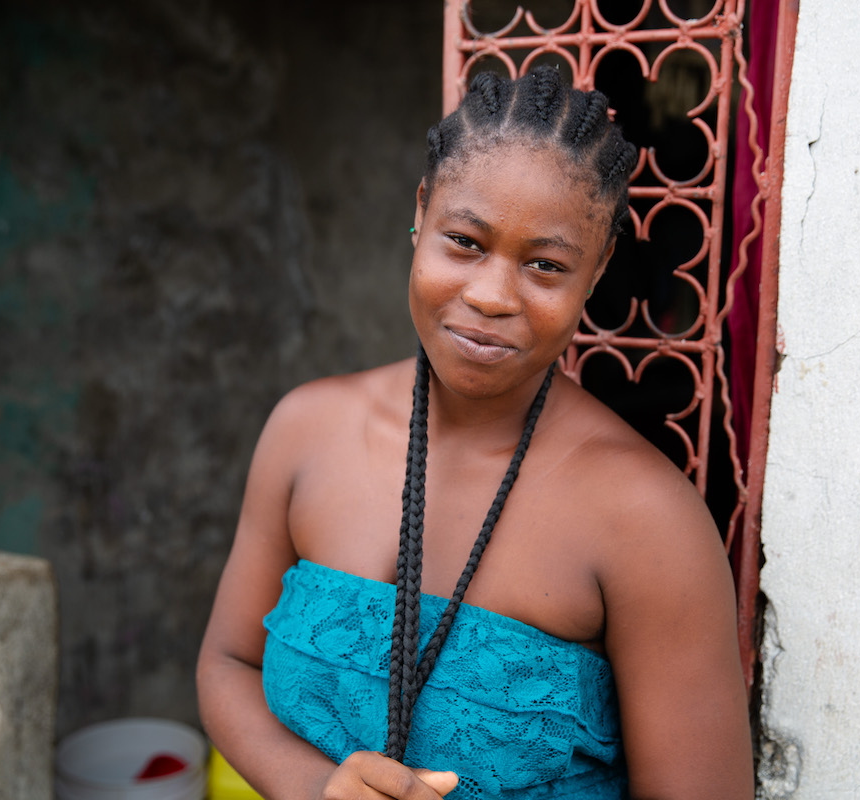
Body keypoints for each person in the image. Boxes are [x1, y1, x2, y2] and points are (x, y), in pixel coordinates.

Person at [197, 66, 753, 799]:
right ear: (421, 212)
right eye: (464, 242)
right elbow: (228, 664)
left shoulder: (648, 521)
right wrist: (318, 789)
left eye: (546, 265)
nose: (490, 295)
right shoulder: (305, 431)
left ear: (599, 269)